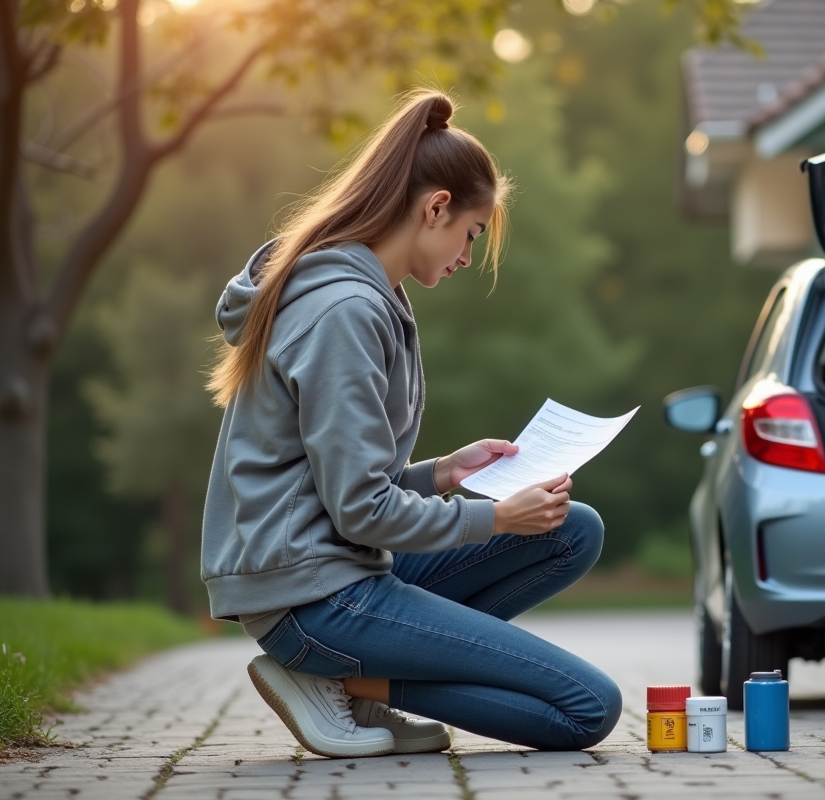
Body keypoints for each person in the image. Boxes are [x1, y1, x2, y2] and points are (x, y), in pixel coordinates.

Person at [201, 89, 621, 758]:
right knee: (586, 708)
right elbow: (361, 510)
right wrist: (495, 518)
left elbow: (333, 484)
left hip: (341, 569)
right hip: (312, 598)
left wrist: (442, 473)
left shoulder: (371, 294)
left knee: (572, 531)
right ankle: (340, 677)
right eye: (472, 233)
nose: (468, 254)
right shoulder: (345, 310)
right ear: (435, 208)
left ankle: (354, 680)